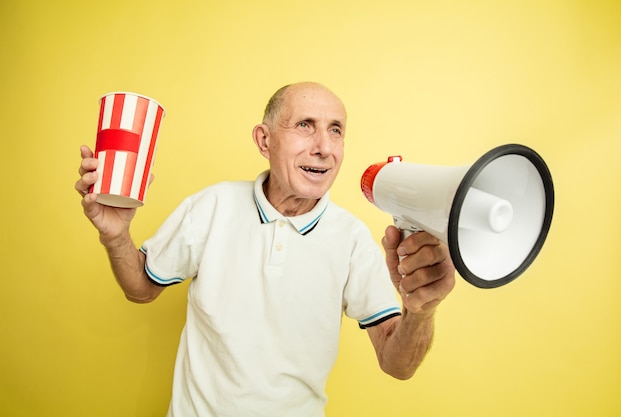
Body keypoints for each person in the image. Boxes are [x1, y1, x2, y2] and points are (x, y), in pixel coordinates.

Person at [75, 82, 455, 416]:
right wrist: (115, 236)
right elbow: (141, 289)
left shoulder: (353, 239)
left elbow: (397, 365)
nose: (323, 147)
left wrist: (421, 311)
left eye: (335, 130)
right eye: (305, 126)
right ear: (264, 140)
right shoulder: (211, 206)